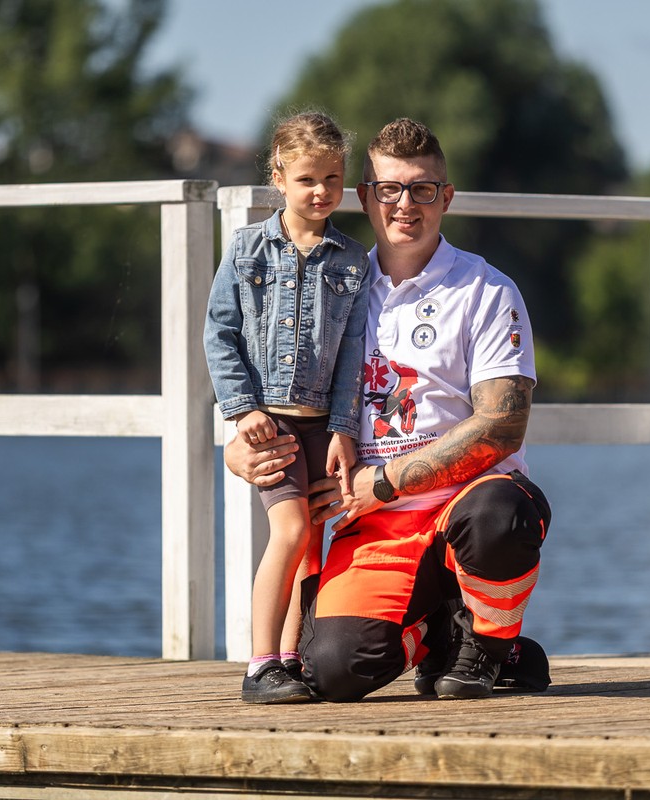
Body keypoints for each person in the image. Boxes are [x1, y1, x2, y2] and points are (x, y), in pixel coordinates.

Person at [224, 118, 552, 702]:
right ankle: (446, 635)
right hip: (370, 525)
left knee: (503, 514)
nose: (406, 204)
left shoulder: (486, 290)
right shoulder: (333, 282)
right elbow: (279, 388)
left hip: (464, 504)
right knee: (330, 672)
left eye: (423, 189)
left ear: (445, 197)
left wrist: (385, 482)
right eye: (389, 189)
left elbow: (503, 426)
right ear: (365, 197)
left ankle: (488, 648)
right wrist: (240, 448)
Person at [204, 111, 370, 704]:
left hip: (322, 424)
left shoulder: (353, 261)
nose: (320, 191)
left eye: (332, 177)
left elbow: (353, 354)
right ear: (278, 177)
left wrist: (345, 429)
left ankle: (294, 662)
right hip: (268, 422)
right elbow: (219, 332)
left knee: (313, 541)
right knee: (291, 528)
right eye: (306, 179)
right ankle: (259, 663)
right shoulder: (248, 249)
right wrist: (241, 408)